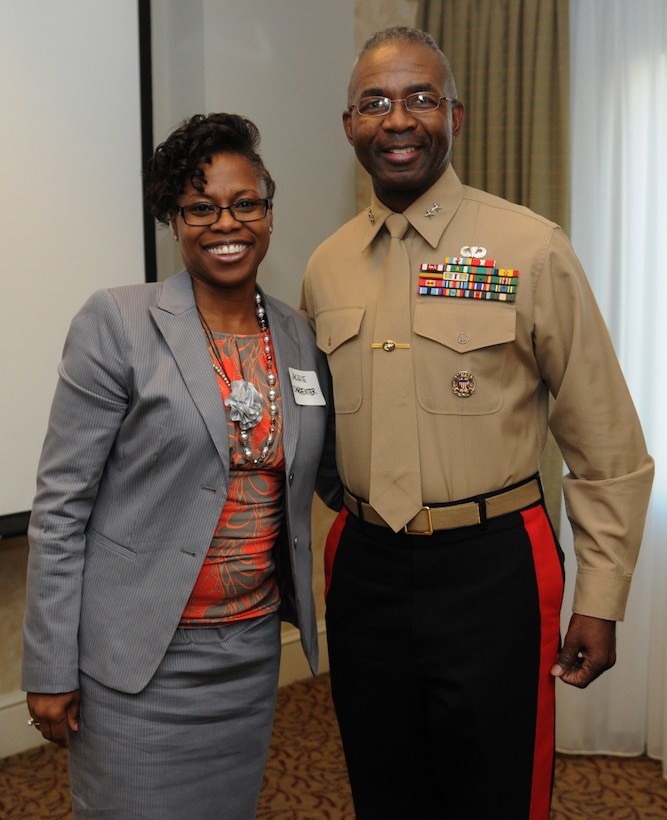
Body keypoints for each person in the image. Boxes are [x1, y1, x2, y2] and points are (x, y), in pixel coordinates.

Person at [301, 26, 654, 820]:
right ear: (349, 125)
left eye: (421, 98)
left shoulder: (529, 248)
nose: (398, 119)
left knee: (496, 792)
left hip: (492, 570)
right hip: (364, 569)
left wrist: (599, 596)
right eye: (375, 102)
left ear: (455, 114)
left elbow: (605, 444)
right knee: (383, 786)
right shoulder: (324, 266)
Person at [23, 112, 331, 819]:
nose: (227, 223)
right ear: (173, 217)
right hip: (138, 662)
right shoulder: (117, 323)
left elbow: (327, 468)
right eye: (201, 207)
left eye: (245, 203)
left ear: (268, 212)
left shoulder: (296, 335)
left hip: (248, 653)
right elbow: (61, 507)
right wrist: (48, 666)